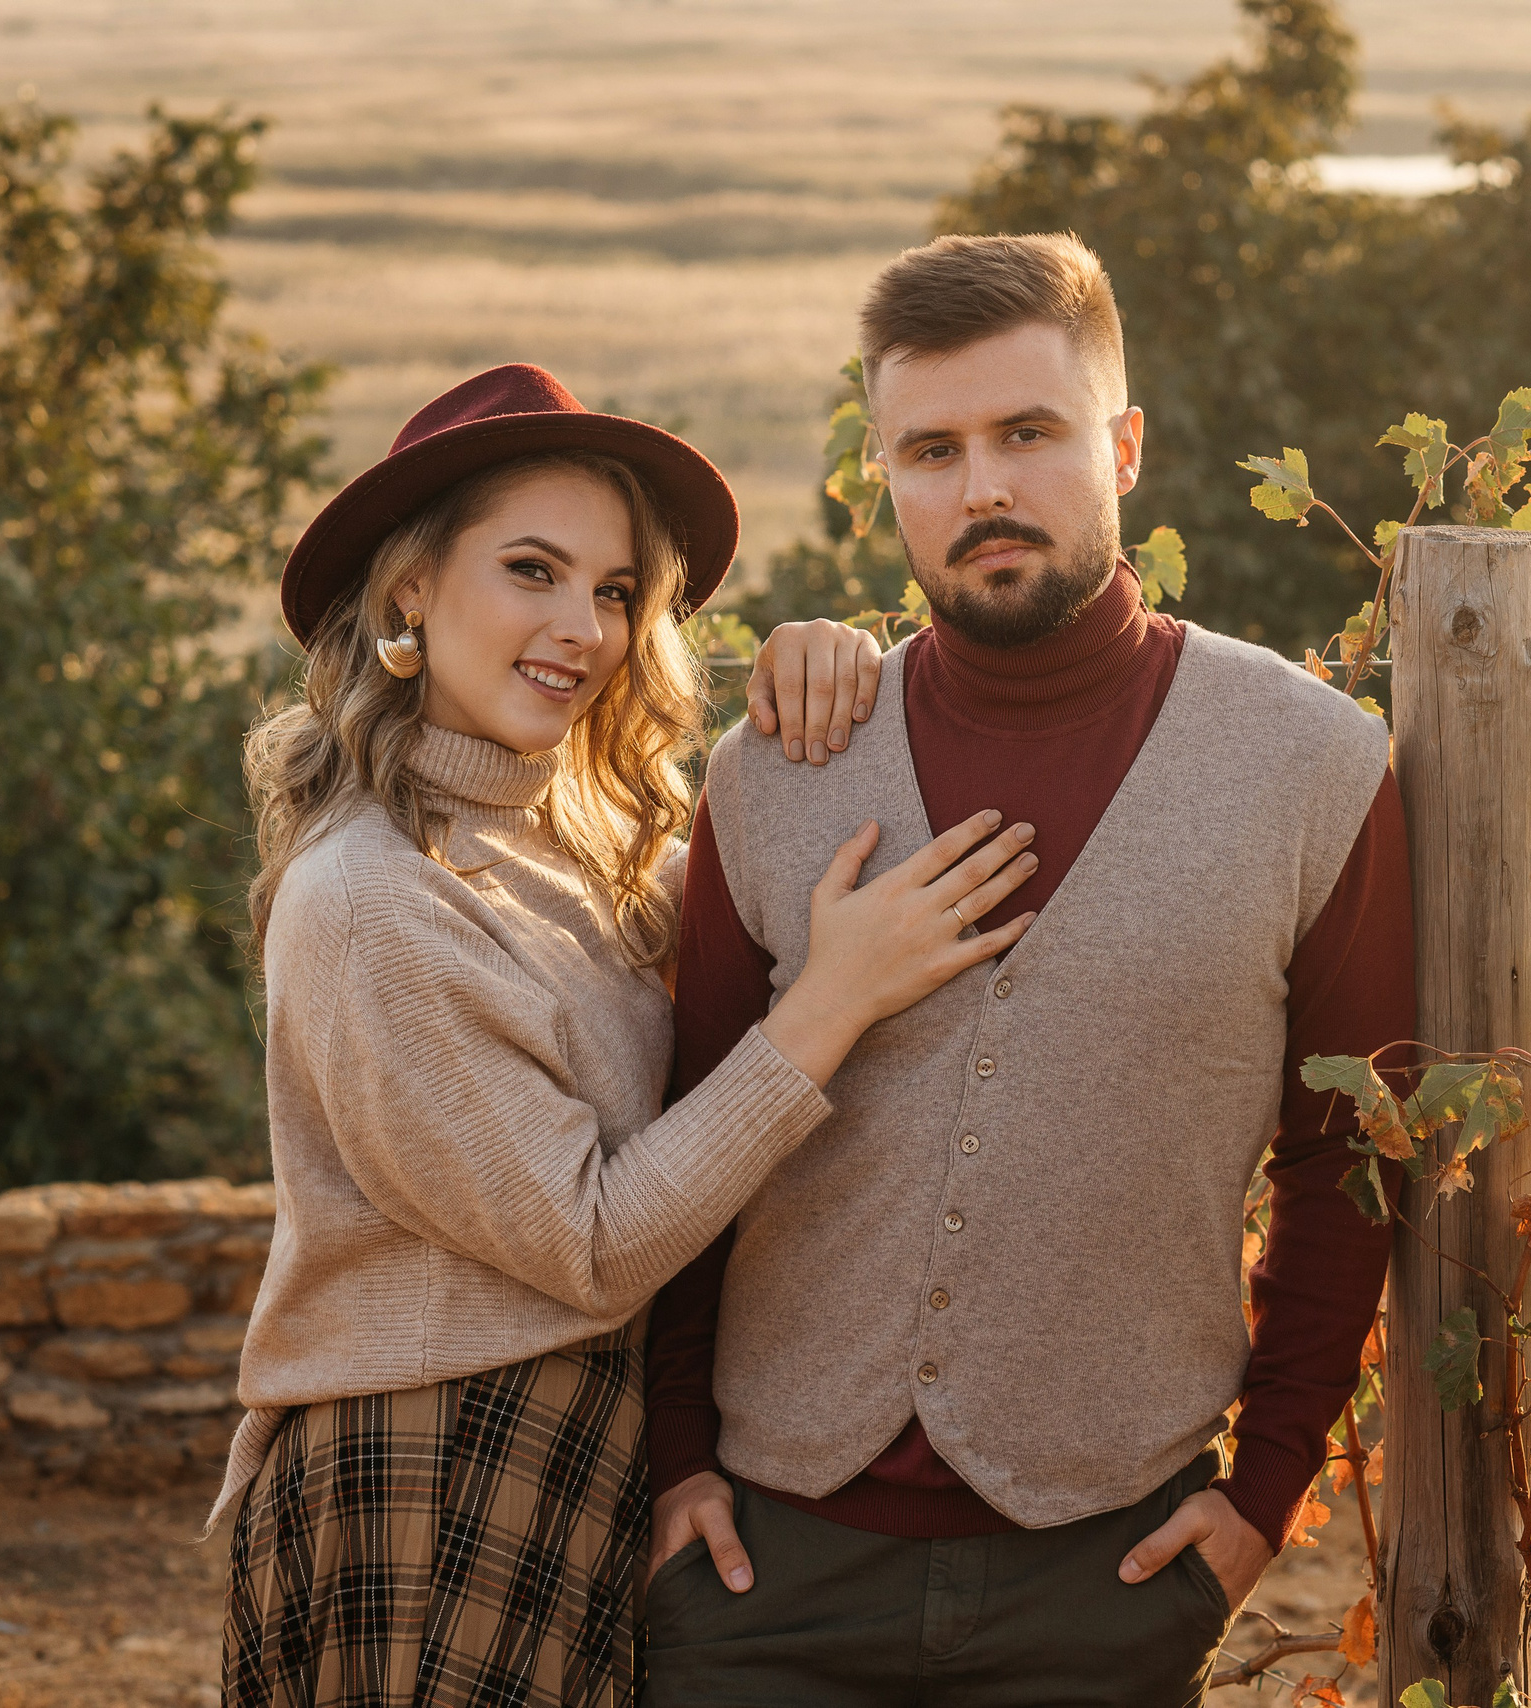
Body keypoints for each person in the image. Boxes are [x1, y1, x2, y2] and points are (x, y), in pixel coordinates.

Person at [642, 233, 1416, 1706]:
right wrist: (676, 1460)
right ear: (886, 483)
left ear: (1122, 445)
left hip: (1108, 1573)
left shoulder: (1315, 765)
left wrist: (1261, 1502)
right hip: (764, 1572)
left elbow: (1350, 1160)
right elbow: (689, 1133)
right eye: (931, 450)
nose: (982, 485)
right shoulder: (779, 767)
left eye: (1028, 433)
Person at [217, 364, 1039, 1708]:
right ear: (409, 588)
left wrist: (822, 663)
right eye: (531, 571)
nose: (581, 629)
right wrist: (831, 1007)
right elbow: (592, 1247)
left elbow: (750, 927)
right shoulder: (371, 900)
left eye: (612, 592)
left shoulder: (583, 845)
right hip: (424, 1468)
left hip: (588, 1452)